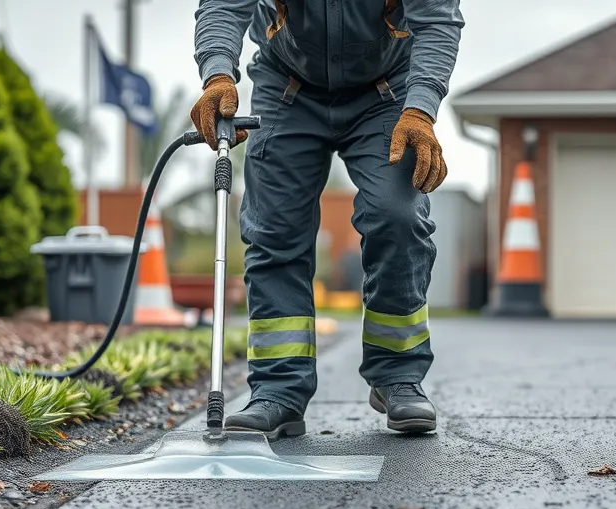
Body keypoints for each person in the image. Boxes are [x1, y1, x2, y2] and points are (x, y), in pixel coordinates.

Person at [191, 0, 464, 440]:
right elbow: (225, 5)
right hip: (287, 87)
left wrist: (421, 111)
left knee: (398, 216)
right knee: (274, 231)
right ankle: (278, 390)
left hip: (386, 92)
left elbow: (437, 20)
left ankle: (396, 374)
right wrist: (218, 72)